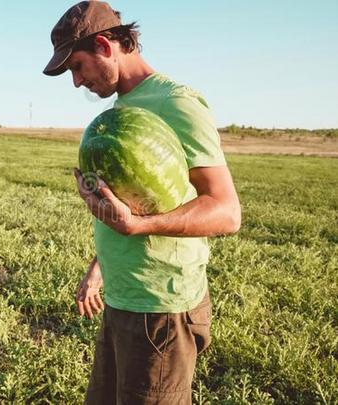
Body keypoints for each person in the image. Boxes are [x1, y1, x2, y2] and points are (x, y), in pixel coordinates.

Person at [43, 2, 241, 404]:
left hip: (160, 309)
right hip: (123, 297)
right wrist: (99, 266)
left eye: (77, 67)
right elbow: (139, 202)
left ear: (104, 45)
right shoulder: (124, 110)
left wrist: (136, 227)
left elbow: (226, 211)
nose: (77, 83)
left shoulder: (177, 103)